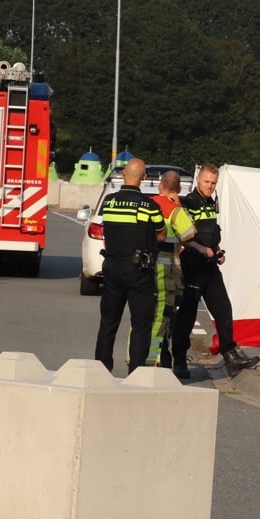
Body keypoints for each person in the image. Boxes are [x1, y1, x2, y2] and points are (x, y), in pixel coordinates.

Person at [174, 163, 260, 379]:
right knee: (187, 316)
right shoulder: (188, 202)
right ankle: (178, 360)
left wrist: (217, 251)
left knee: (223, 309)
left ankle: (230, 356)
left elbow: (211, 234)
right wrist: (202, 249)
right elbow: (185, 235)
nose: (210, 186)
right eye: (207, 182)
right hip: (192, 266)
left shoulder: (211, 203)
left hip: (210, 268)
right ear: (198, 180)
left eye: (213, 183)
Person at [93, 158, 167, 374]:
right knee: (141, 323)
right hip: (139, 271)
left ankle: (101, 368)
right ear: (144, 178)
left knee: (108, 321)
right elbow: (161, 234)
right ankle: (136, 371)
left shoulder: (109, 202)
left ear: (124, 173)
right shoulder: (149, 206)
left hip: (112, 267)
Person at [150, 170, 204, 370]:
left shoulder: (148, 204)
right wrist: (180, 207)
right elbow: (190, 233)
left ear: (159, 186)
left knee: (143, 315)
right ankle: (151, 358)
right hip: (166, 270)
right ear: (179, 189)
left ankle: (135, 355)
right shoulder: (174, 210)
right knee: (162, 316)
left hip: (145, 268)